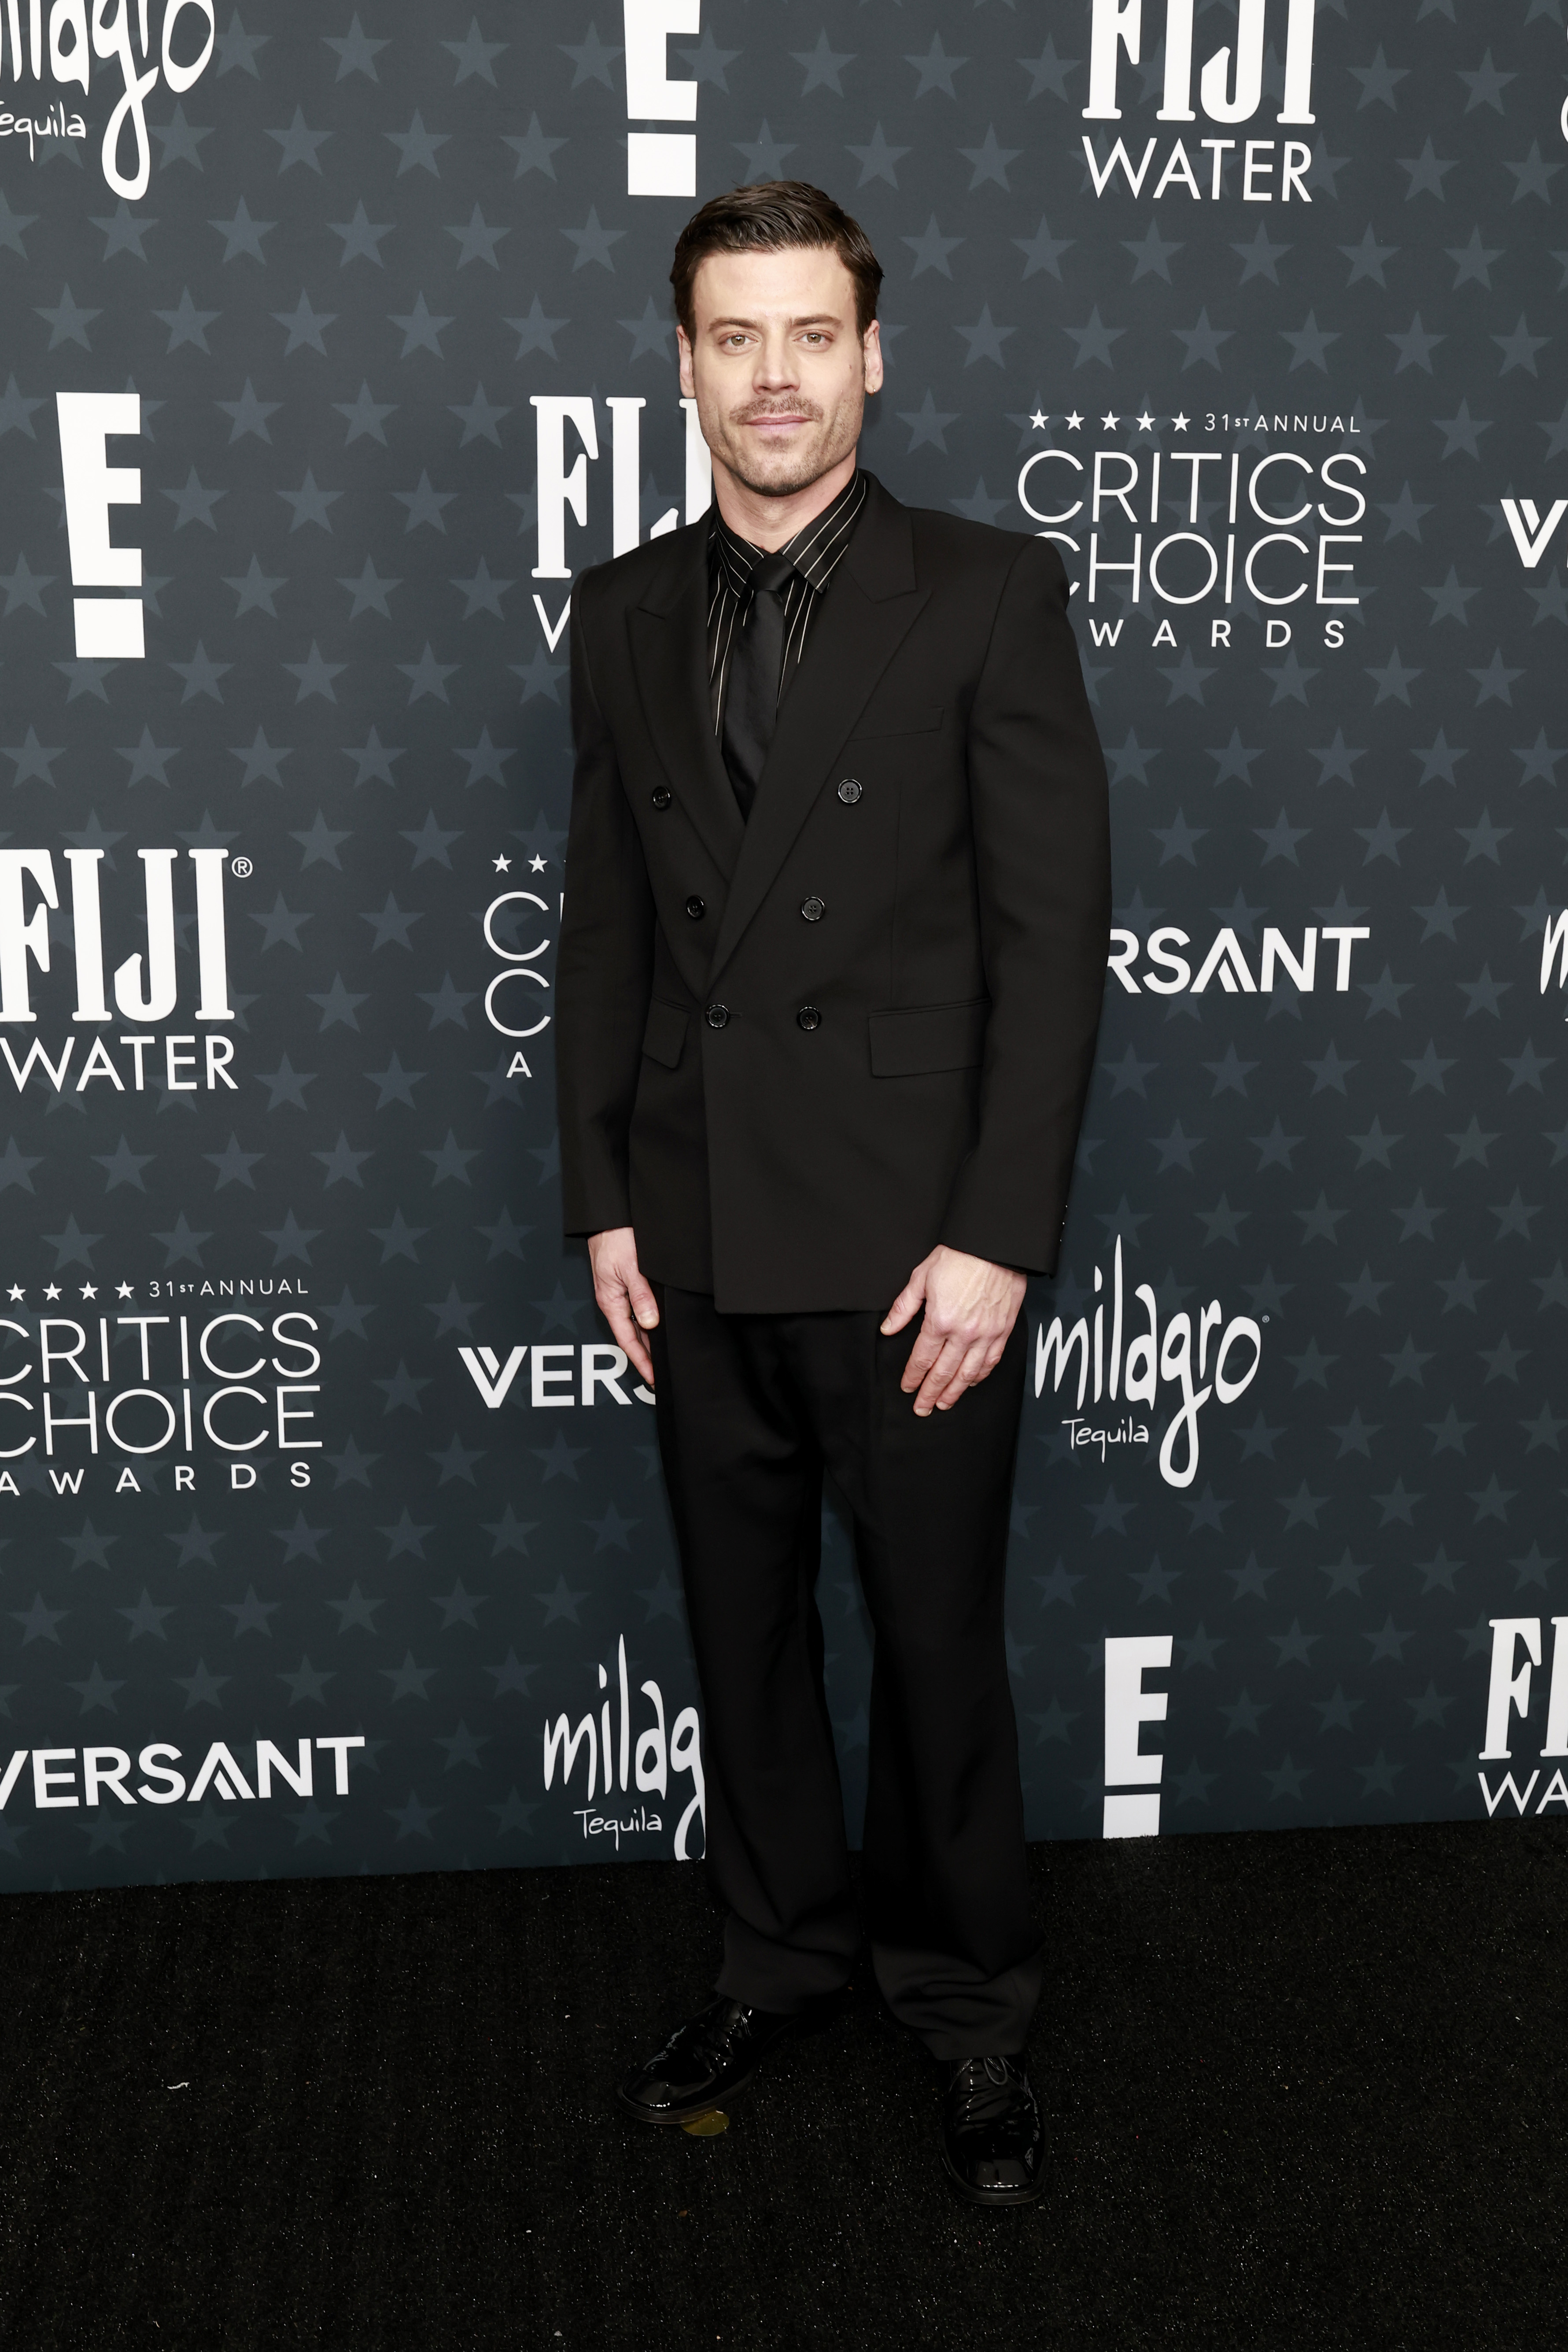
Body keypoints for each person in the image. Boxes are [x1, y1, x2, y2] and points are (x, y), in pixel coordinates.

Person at [555, 181, 1110, 2206]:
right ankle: (777, 1953)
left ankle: (970, 2005)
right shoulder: (618, 611)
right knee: (743, 1633)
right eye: (733, 338)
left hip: (913, 1253)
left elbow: (1056, 947)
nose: (773, 378)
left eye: (811, 336)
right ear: (684, 363)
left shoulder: (986, 593)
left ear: (873, 355)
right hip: (694, 1235)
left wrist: (1001, 1237)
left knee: (940, 1644)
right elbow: (603, 931)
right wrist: (601, 1199)